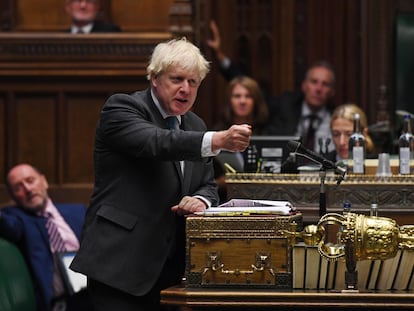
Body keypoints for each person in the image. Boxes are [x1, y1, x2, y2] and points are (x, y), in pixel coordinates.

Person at [70, 37, 252, 311]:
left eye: (193, 82)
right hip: (118, 266)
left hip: (169, 273)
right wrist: (216, 140)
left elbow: (207, 185)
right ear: (154, 78)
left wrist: (200, 200)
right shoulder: (122, 108)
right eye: (177, 79)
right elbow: (157, 142)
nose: (185, 89)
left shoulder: (194, 123)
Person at [206, 20, 336, 154]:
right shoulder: (286, 106)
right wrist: (221, 57)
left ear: (332, 92)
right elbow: (251, 91)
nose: (319, 88)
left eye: (325, 84)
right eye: (314, 82)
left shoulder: (335, 117)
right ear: (304, 86)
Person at [0, 163, 91, 311]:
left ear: (44, 181)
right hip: (61, 304)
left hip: (94, 293)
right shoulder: (17, 218)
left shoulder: (78, 211)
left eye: (30, 181)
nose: (28, 189)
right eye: (18, 187)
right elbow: (8, 226)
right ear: (13, 197)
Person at [213, 75, 269, 202]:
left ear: (256, 101)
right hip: (224, 200)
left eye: (248, 96)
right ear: (229, 101)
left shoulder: (267, 134)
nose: (242, 101)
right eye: (237, 96)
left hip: (261, 199)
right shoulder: (217, 135)